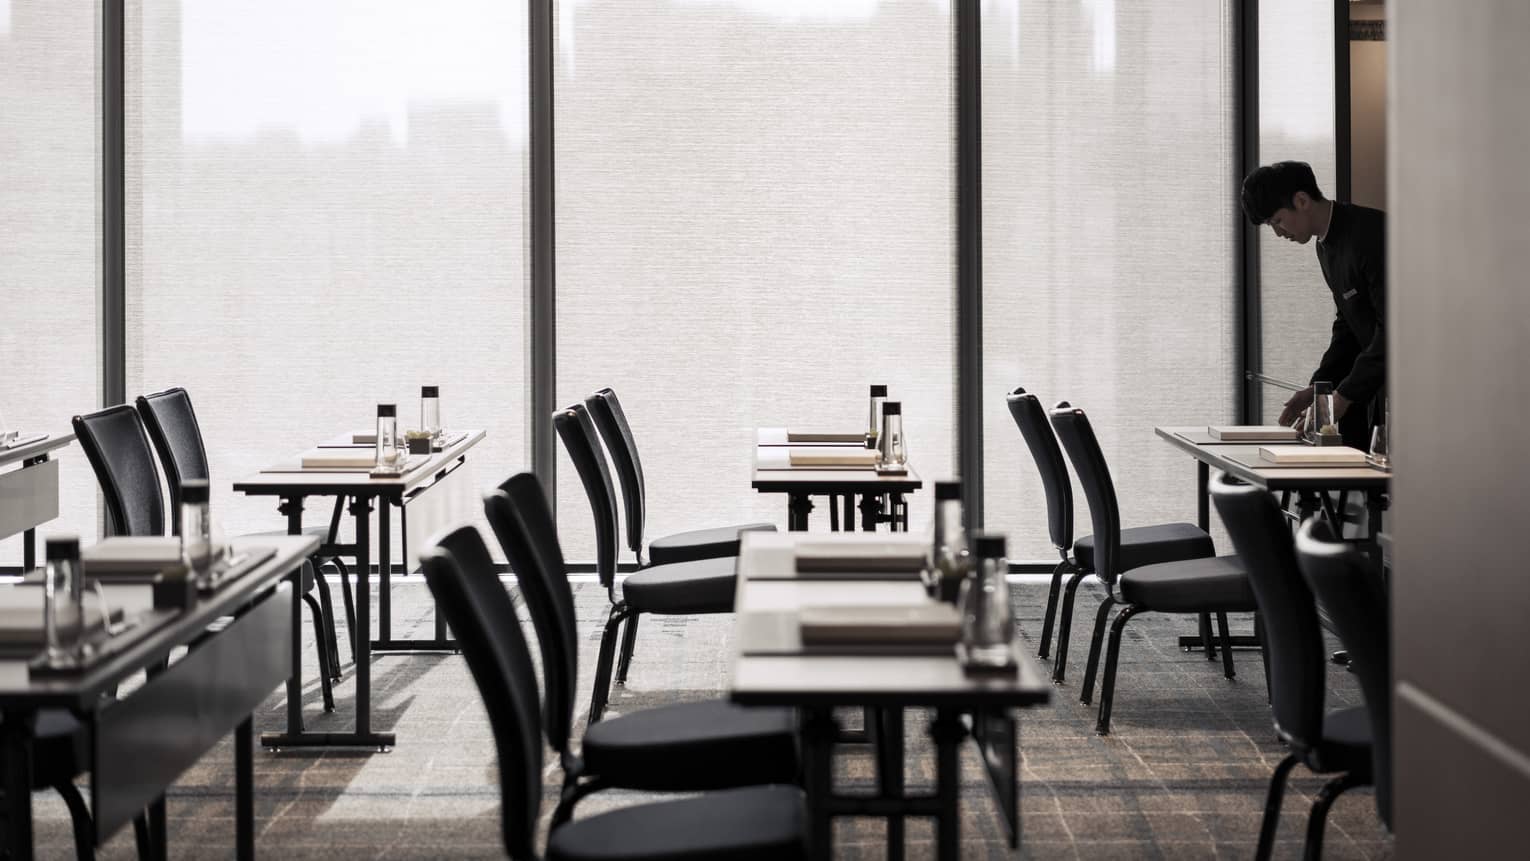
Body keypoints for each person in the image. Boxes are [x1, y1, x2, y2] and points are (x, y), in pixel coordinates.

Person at [1242, 161, 1386, 449]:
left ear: (1302, 200)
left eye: (1278, 221)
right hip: (1380, 382)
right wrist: (1319, 388)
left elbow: (1396, 329)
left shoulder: (1369, 234)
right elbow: (1347, 325)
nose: (1279, 234)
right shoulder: (1324, 246)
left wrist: (1343, 396)